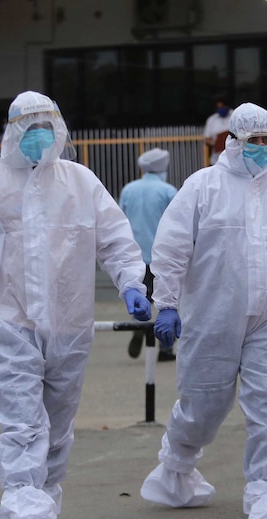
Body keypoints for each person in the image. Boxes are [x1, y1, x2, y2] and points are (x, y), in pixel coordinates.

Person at [0, 91, 151, 519]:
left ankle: (44, 513)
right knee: (22, 426)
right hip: (6, 322)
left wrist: (132, 284)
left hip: (70, 325)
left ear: (60, 128)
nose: (38, 134)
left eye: (46, 124)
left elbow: (116, 239)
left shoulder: (80, 182)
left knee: (56, 428)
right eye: (28, 125)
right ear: (12, 132)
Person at [140, 102, 267, 519]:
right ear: (233, 142)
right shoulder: (203, 187)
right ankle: (177, 464)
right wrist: (165, 303)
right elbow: (170, 249)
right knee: (204, 404)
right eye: (252, 140)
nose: (261, 147)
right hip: (213, 314)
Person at [119, 147, 178, 362]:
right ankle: (165, 348)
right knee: (166, 301)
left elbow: (119, 219)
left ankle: (139, 326)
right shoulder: (168, 191)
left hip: (135, 255)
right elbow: (178, 224)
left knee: (141, 297)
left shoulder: (129, 189)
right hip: (162, 257)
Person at [203, 94, 232, 167]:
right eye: (219, 107)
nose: (221, 109)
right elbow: (207, 139)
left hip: (233, 160)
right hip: (216, 160)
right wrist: (216, 143)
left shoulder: (235, 116)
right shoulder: (212, 120)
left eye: (222, 107)